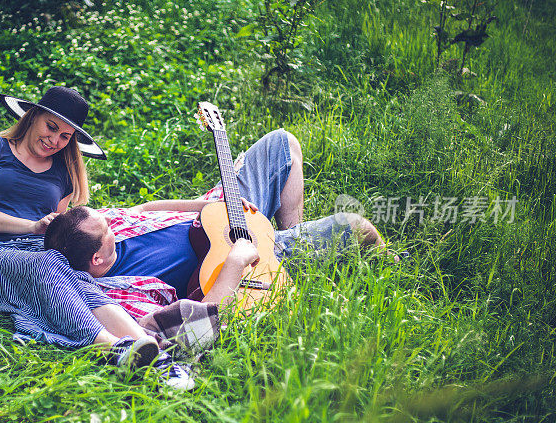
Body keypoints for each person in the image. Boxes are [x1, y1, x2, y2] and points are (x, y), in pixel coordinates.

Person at [0, 86, 192, 388]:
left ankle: (158, 359)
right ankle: (114, 349)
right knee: (47, 265)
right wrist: (32, 226)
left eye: (65, 136)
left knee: (80, 280)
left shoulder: (62, 170)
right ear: (33, 115)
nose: (54, 140)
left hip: (38, 251)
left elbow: (56, 236)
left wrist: (57, 231)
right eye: (51, 127)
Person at [44, 129, 392, 307]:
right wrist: (237, 261)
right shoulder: (117, 293)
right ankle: (393, 266)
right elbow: (196, 319)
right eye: (107, 230)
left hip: (222, 215)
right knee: (357, 228)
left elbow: (145, 210)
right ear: (97, 259)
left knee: (281, 144)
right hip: (245, 259)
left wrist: (210, 205)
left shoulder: (97, 226)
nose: (112, 225)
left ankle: (291, 230)